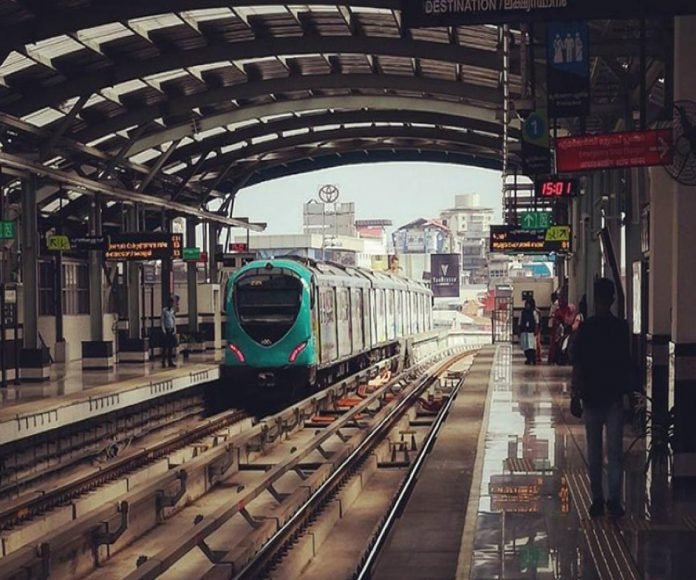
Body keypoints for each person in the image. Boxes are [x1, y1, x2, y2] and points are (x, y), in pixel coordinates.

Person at [572, 278, 632, 518]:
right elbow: (625, 364)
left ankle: (597, 499)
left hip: (591, 398)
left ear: (595, 300)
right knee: (615, 453)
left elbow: (577, 363)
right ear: (613, 300)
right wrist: (627, 395)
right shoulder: (620, 328)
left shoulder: (586, 329)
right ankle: (614, 501)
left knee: (594, 451)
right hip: (613, 398)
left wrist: (575, 394)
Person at [519, 299, 538, 365]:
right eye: (526, 304)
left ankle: (533, 358)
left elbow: (536, 322)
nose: (527, 305)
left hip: (531, 331)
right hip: (524, 331)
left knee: (532, 346)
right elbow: (520, 321)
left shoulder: (534, 312)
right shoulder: (522, 312)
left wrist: (536, 330)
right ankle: (528, 358)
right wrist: (519, 331)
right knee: (526, 346)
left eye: (528, 304)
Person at [161, 297, 177, 368]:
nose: (171, 304)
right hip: (166, 330)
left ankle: (170, 362)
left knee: (170, 347)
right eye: (170, 303)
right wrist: (163, 330)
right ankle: (163, 362)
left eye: (172, 303)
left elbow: (174, 320)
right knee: (165, 347)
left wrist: (174, 329)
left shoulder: (172, 311)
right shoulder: (164, 310)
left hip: (171, 330)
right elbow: (162, 321)